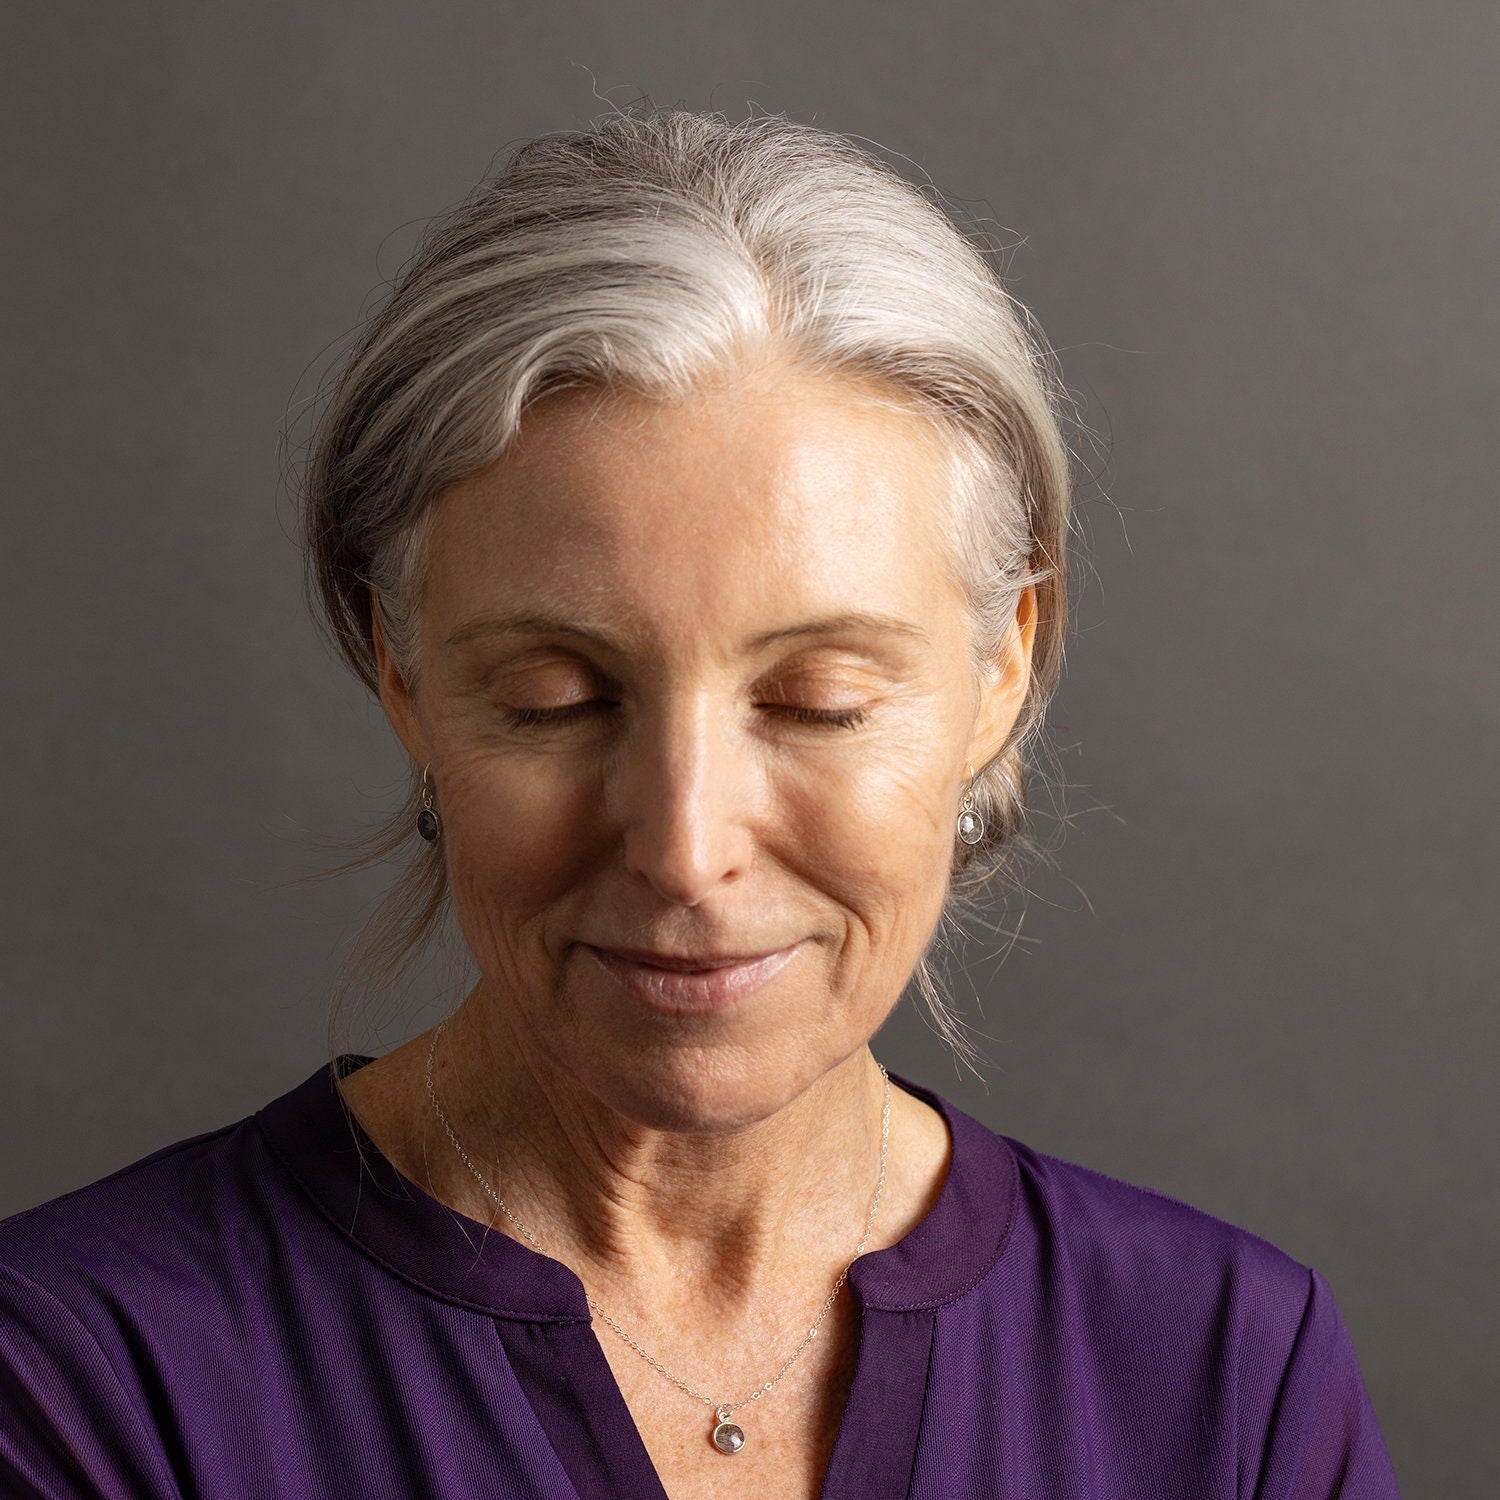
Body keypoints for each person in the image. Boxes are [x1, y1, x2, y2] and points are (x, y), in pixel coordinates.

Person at [0, 107, 1400, 1499]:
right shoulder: (79, 1379)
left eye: (818, 701)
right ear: (402, 669)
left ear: (1001, 667)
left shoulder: (1229, 1378)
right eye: (555, 699)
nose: (684, 848)